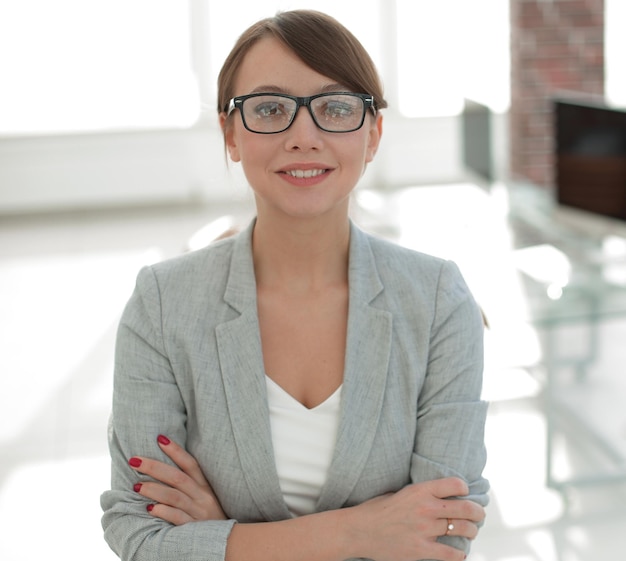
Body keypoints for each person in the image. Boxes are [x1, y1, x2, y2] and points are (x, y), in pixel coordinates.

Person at [101, 9, 489, 561]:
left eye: (334, 108)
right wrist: (363, 532)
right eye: (269, 109)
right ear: (230, 134)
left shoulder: (437, 300)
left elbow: (444, 535)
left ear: (373, 133)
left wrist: (227, 536)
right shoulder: (163, 304)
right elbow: (139, 536)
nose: (302, 137)